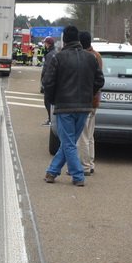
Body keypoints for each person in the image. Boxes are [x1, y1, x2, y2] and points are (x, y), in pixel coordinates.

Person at [42, 25, 104, 186]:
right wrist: (89, 94)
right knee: (68, 142)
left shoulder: (58, 58)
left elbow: (48, 82)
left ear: (64, 39)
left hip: (64, 107)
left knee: (68, 143)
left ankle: (78, 176)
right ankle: (52, 172)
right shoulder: (90, 58)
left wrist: (52, 99)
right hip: (84, 107)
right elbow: (100, 81)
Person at [77, 31, 103, 176]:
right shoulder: (97, 55)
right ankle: (91, 164)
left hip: (86, 100)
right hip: (95, 101)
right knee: (90, 135)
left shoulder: (86, 57)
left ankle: (85, 166)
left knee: (83, 136)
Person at [38, 36, 56, 125]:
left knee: (47, 101)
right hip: (54, 82)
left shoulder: (49, 55)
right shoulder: (55, 53)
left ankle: (50, 120)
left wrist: (44, 82)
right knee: (51, 102)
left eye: (45, 43)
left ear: (48, 44)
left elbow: (47, 70)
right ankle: (51, 119)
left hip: (49, 83)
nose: (44, 45)